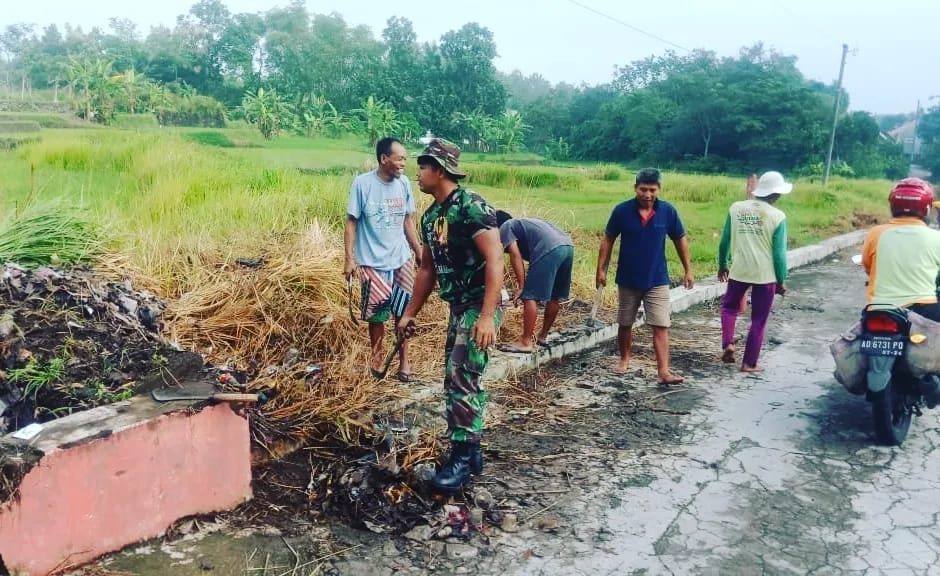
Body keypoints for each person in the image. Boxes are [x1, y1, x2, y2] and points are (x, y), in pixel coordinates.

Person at [397, 138, 504, 493]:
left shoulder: (471, 207)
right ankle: (471, 452)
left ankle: (461, 457)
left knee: (462, 375)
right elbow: (427, 269)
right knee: (458, 376)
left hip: (480, 304)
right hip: (459, 305)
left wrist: (487, 316)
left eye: (423, 166)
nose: (417, 173)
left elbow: (495, 259)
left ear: (439, 170)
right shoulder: (431, 217)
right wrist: (409, 313)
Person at [596, 168, 694, 384]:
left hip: (657, 278)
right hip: (628, 278)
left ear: (659, 189)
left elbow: (680, 239)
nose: (647, 195)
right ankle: (624, 359)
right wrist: (601, 269)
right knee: (625, 322)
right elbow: (608, 239)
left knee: (661, 324)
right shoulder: (622, 211)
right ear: (635, 188)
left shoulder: (668, 211)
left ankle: (664, 371)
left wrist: (688, 269)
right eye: (643, 190)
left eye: (652, 190)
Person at [344, 137, 422, 382]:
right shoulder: (362, 184)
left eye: (405, 160)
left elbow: (408, 220)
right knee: (377, 315)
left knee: (405, 311)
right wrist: (349, 259)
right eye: (399, 159)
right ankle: (377, 359)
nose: (403, 164)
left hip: (401, 258)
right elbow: (351, 222)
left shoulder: (404, 184)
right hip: (372, 262)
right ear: (384, 159)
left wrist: (419, 253)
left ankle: (404, 362)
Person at [717, 170, 792, 373]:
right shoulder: (778, 216)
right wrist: (781, 280)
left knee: (729, 308)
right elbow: (779, 255)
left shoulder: (736, 208)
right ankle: (749, 363)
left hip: (739, 270)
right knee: (759, 320)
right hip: (765, 275)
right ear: (776, 195)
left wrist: (722, 263)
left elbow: (724, 241)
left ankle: (728, 344)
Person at [493, 211, 575, 353]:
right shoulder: (523, 224)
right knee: (554, 296)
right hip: (567, 246)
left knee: (529, 296)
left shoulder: (505, 226)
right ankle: (542, 336)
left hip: (549, 247)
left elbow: (515, 254)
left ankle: (525, 342)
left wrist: (522, 286)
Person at [862, 178, 940, 323]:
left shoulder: (875, 233)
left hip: (879, 309)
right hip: (924, 309)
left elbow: (867, 267)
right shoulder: (936, 238)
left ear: (892, 205)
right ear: (927, 209)